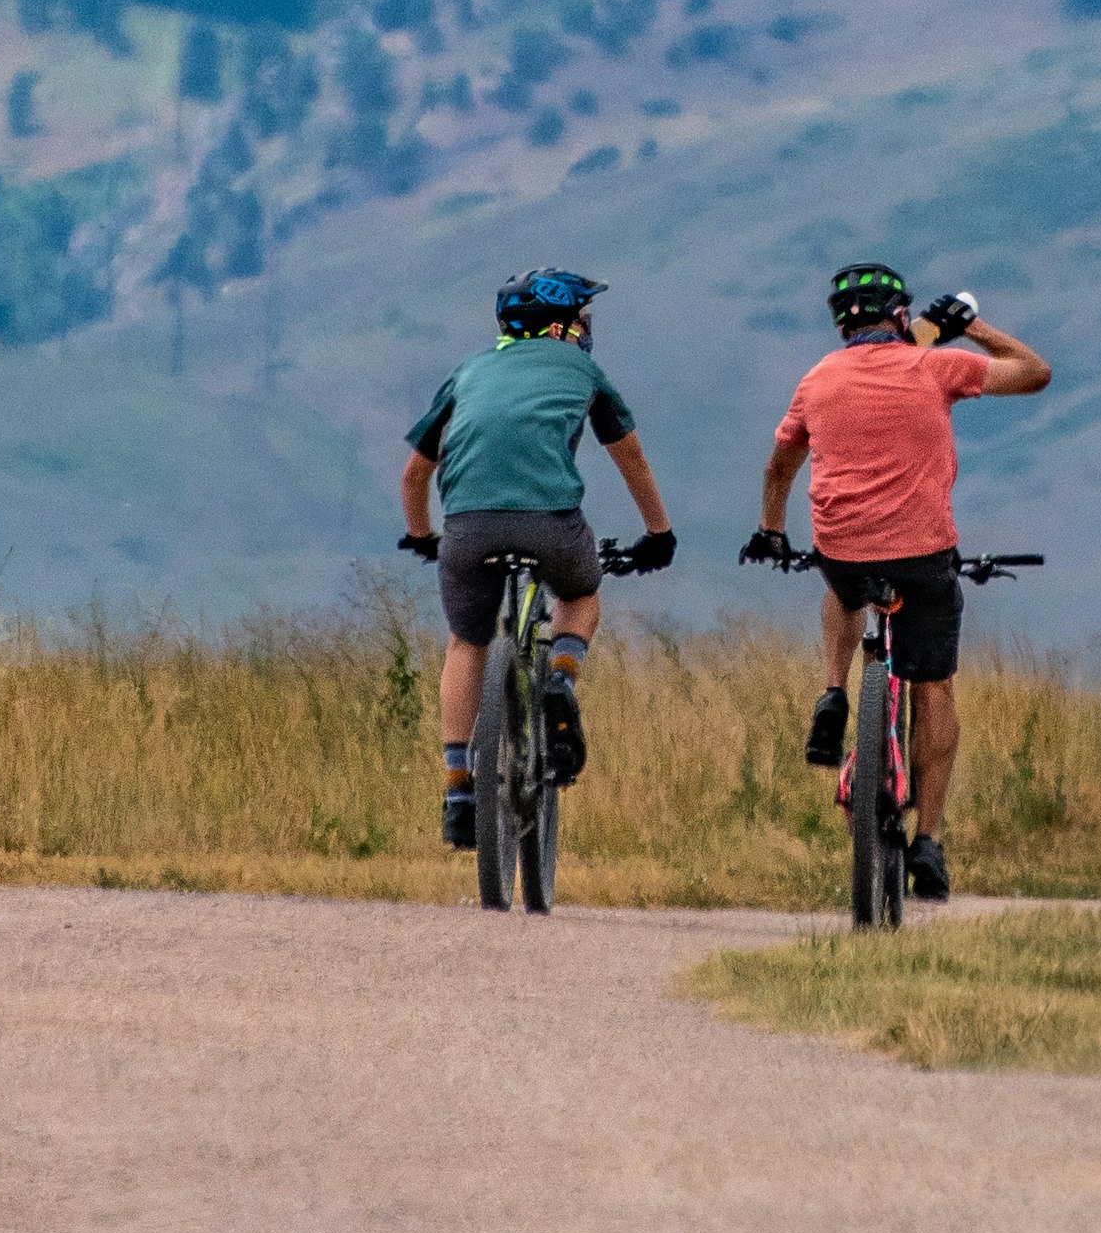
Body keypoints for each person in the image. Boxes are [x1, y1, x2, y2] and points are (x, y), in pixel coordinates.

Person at [740, 260, 1048, 901]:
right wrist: (973, 327)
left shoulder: (816, 379)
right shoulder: (936, 366)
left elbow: (779, 469)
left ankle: (833, 689)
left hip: (846, 553)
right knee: (933, 685)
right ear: (901, 317)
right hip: (924, 552)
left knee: (841, 583)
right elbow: (1034, 374)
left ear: (840, 324)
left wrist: (771, 532)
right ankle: (929, 840)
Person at [397, 266, 675, 850]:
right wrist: (658, 532)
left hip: (466, 528)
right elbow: (630, 456)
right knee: (580, 595)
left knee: (466, 643)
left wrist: (424, 537)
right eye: (581, 318)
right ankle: (561, 679)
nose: (585, 329)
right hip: (551, 525)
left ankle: (456, 790)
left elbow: (416, 472)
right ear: (560, 326)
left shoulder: (468, 371)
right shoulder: (582, 369)